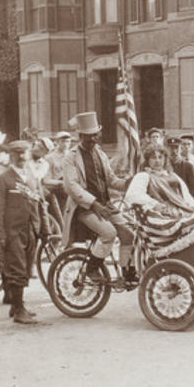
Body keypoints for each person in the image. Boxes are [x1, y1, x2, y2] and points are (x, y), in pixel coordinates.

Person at [61, 111, 135, 284]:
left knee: (129, 235)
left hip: (105, 204)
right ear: (80, 136)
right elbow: (72, 186)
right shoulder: (70, 158)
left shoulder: (100, 154)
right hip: (84, 208)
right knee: (109, 233)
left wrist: (127, 183)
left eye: (95, 135)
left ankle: (126, 274)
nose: (94, 139)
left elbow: (110, 179)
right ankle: (91, 270)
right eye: (89, 136)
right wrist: (93, 204)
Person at [0, 140, 45, 324]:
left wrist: (43, 228)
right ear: (11, 156)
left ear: (29, 155)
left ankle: (16, 305)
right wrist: (0, 236)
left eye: (24, 153)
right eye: (17, 154)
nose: (21, 157)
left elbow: (40, 202)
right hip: (12, 232)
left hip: (31, 230)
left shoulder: (32, 176)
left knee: (27, 267)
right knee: (17, 269)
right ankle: (20, 311)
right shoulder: (3, 179)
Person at [125, 141, 194, 249]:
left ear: (165, 159)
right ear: (147, 160)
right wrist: (154, 204)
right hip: (163, 213)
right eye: (153, 158)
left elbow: (186, 196)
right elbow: (132, 195)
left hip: (181, 210)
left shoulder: (173, 175)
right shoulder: (143, 176)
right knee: (190, 224)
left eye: (160, 157)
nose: (157, 161)